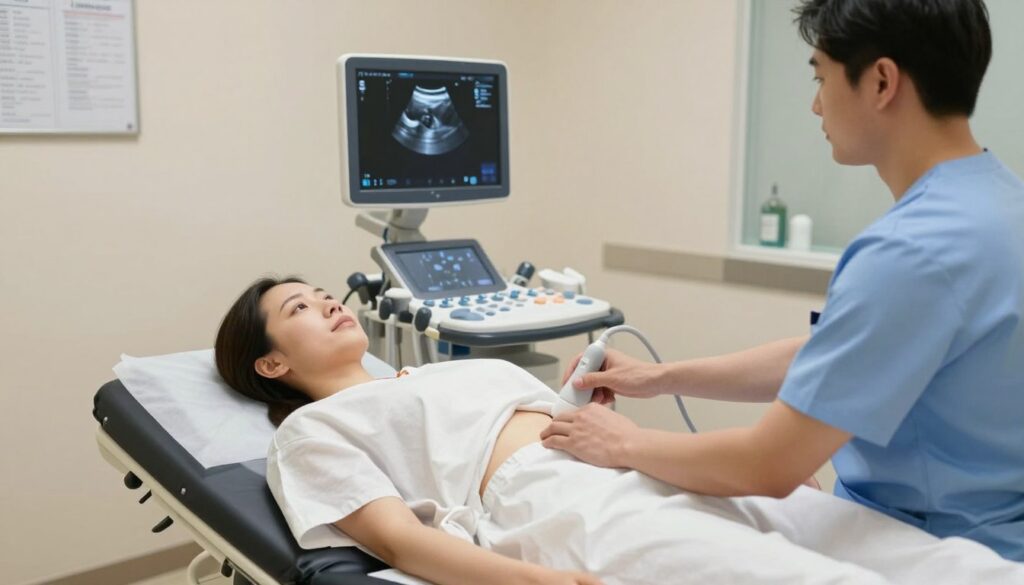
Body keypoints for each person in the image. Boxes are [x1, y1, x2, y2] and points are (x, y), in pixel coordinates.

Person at [541, 0, 1024, 563]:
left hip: (926, 551)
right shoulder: (999, 204)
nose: (816, 104)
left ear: (881, 82)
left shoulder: (910, 252)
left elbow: (768, 464)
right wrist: (658, 377)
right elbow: (841, 357)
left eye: (821, 77)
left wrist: (622, 441)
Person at [213, 276, 1024, 585]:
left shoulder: (427, 374)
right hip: (548, 497)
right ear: (271, 363)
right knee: (779, 575)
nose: (326, 302)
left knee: (879, 543)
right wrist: (528, 583)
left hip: (637, 461)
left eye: (322, 292)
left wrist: (629, 427)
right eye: (298, 308)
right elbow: (396, 540)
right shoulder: (310, 431)